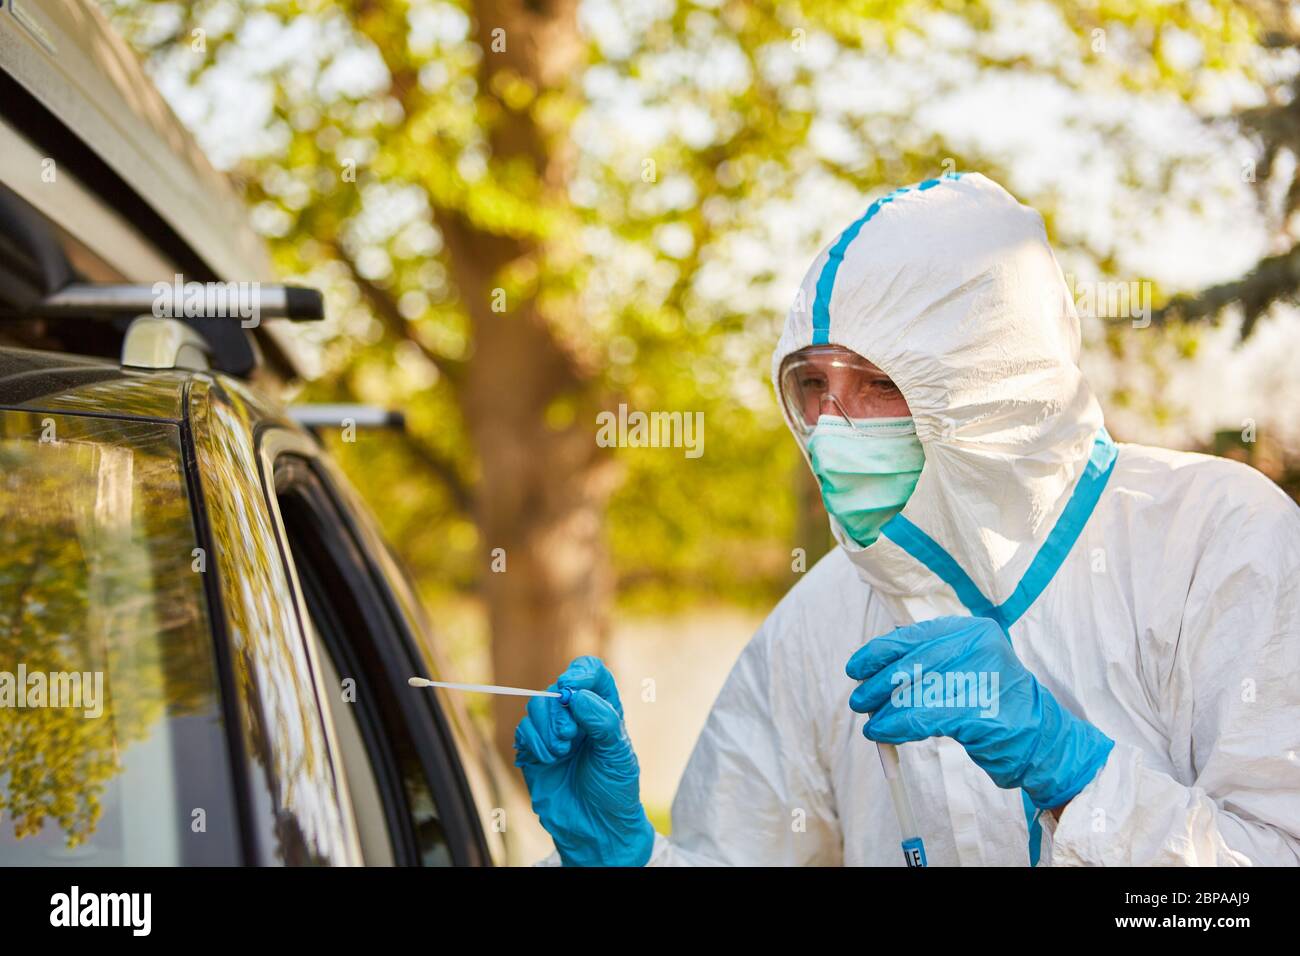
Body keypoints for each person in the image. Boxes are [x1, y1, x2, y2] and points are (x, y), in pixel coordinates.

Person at [513, 172, 1300, 866]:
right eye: (813, 385)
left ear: (989, 390)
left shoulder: (1216, 544)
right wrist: (623, 860)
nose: (830, 424)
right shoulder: (819, 623)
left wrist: (1076, 772)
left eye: (878, 383)